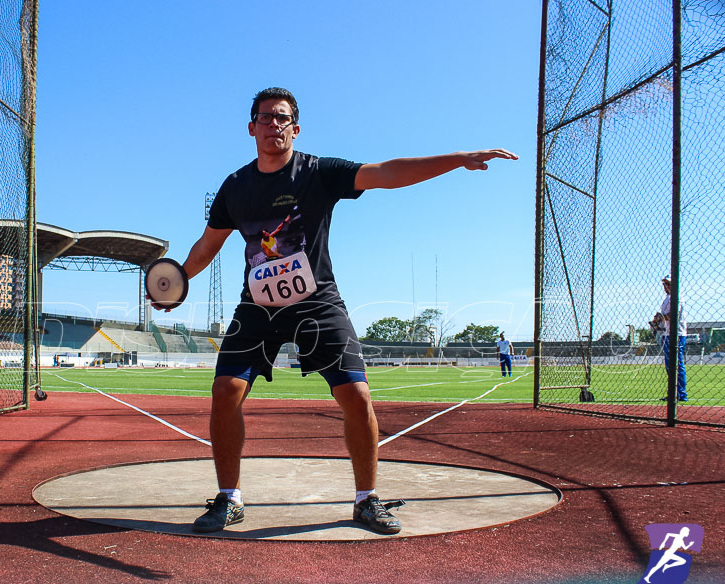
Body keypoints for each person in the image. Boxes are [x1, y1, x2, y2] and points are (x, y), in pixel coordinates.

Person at [156, 87, 517, 535]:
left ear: (296, 127)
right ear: (251, 127)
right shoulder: (235, 187)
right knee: (225, 390)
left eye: (283, 118)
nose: (275, 125)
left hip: (317, 302)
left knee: (356, 395)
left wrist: (457, 158)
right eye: (266, 118)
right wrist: (176, 282)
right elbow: (207, 245)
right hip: (259, 307)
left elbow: (385, 172)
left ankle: (366, 500)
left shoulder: (318, 172)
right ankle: (229, 499)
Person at [658, 274, 688, 401]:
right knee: (670, 365)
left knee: (677, 364)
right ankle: (673, 392)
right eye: (665, 284)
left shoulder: (676, 297)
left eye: (669, 284)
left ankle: (681, 394)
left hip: (676, 334)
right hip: (667, 333)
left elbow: (673, 315)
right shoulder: (667, 298)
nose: (666, 286)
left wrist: (661, 318)